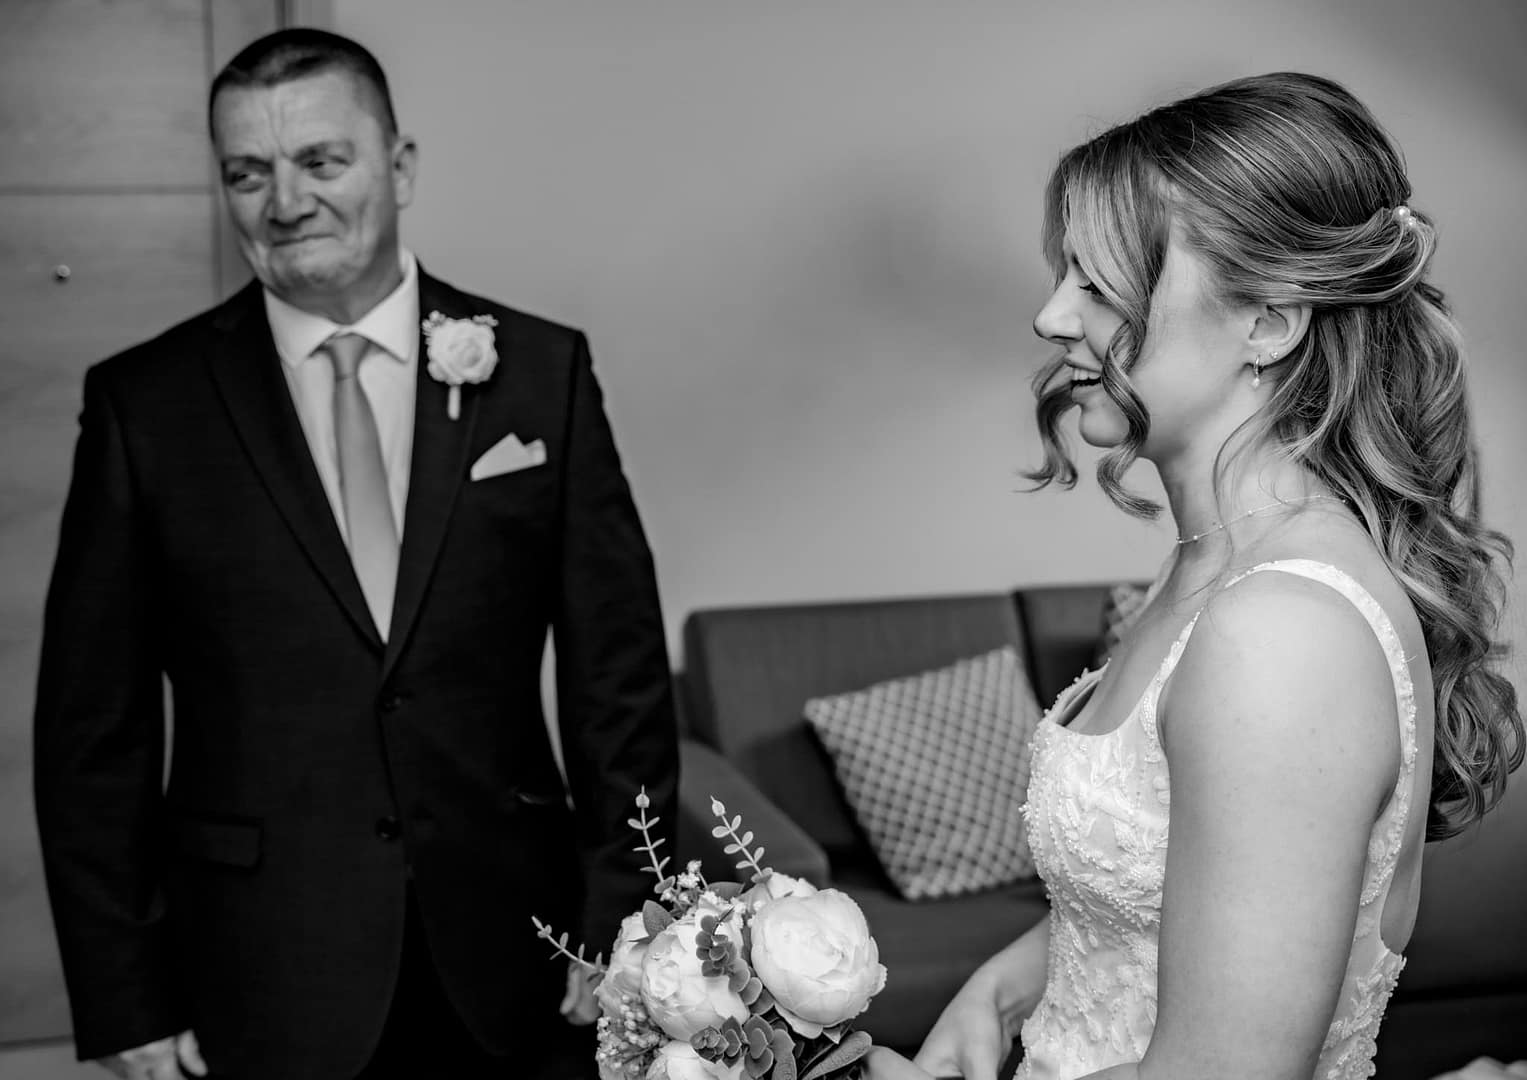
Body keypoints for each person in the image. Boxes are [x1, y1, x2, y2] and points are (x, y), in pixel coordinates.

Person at [33, 27, 678, 1080]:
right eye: (249, 173)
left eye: (321, 161)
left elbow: (621, 675)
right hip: (258, 960)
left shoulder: (538, 373)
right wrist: (122, 994)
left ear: (400, 165)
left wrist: (625, 904)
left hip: (526, 949)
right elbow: (87, 736)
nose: (285, 202)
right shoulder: (144, 407)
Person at [866, 72, 1523, 1080]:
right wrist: (998, 991)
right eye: (1063, 275)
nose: (1048, 319)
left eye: (1096, 284)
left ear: (1268, 322)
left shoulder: (1283, 634)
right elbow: (1171, 894)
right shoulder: (1214, 572)